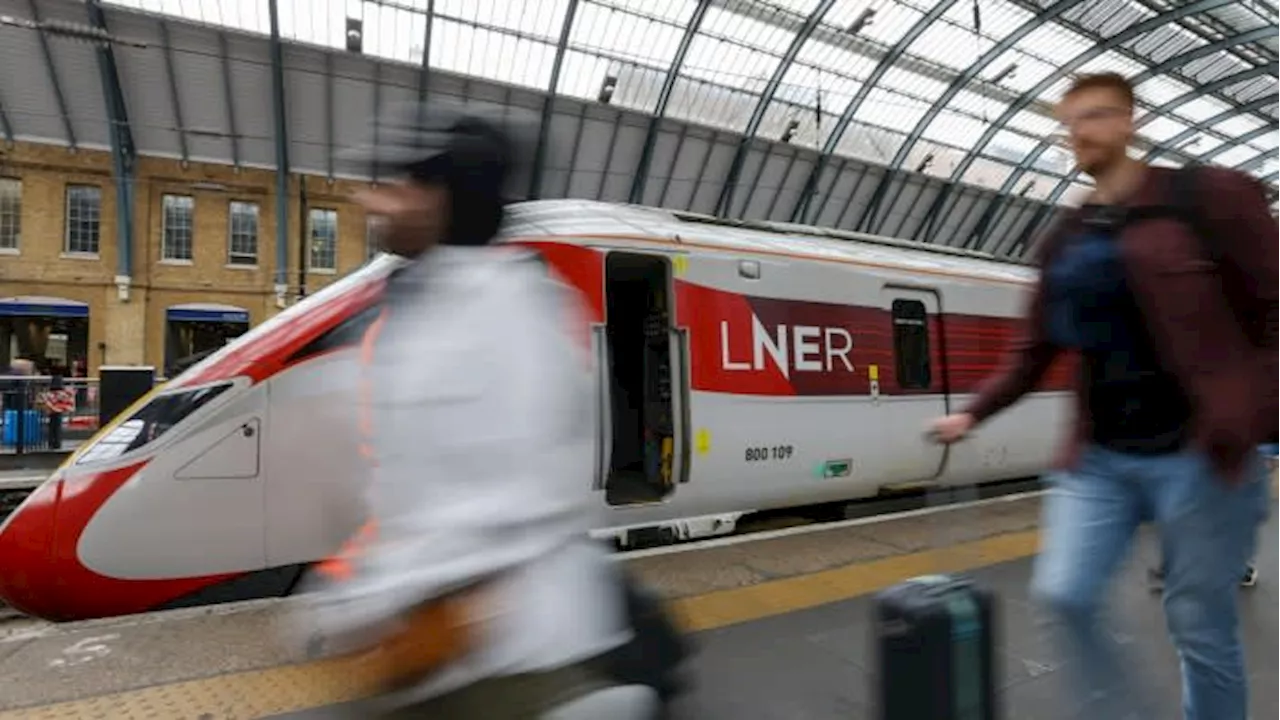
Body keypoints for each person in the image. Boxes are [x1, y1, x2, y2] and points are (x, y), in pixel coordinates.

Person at [929, 72, 1279, 720]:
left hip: (1201, 455)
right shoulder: (1067, 239)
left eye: (1092, 116)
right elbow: (1034, 349)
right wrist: (972, 412)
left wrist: (1248, 408)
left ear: (1128, 121)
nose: (1078, 133)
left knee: (1199, 627)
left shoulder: (1206, 200)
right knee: (1063, 593)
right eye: (1069, 122)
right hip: (1101, 457)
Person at [293, 103, 659, 720]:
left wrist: (370, 598)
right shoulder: (424, 305)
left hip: (511, 660)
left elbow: (513, 501)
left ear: (436, 196)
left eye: (388, 186)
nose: (367, 201)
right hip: (444, 652)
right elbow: (411, 489)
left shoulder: (515, 310)